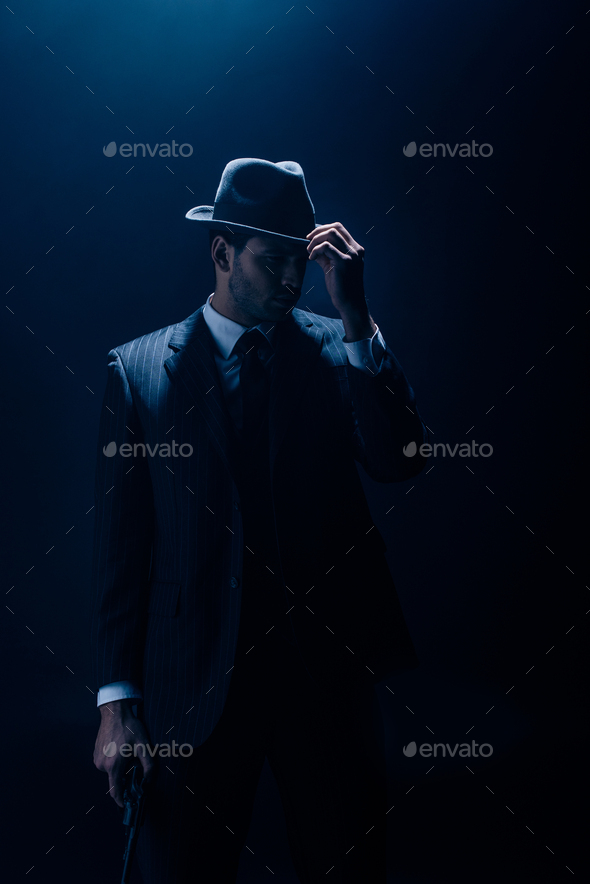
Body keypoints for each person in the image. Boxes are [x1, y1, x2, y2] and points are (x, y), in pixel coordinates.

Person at [91, 158, 428, 883]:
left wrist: (357, 317)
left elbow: (401, 460)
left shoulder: (340, 350)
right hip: (192, 684)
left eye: (299, 264)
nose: (289, 281)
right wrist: (117, 703)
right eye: (274, 260)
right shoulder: (139, 370)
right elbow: (121, 549)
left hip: (325, 679)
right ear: (222, 252)